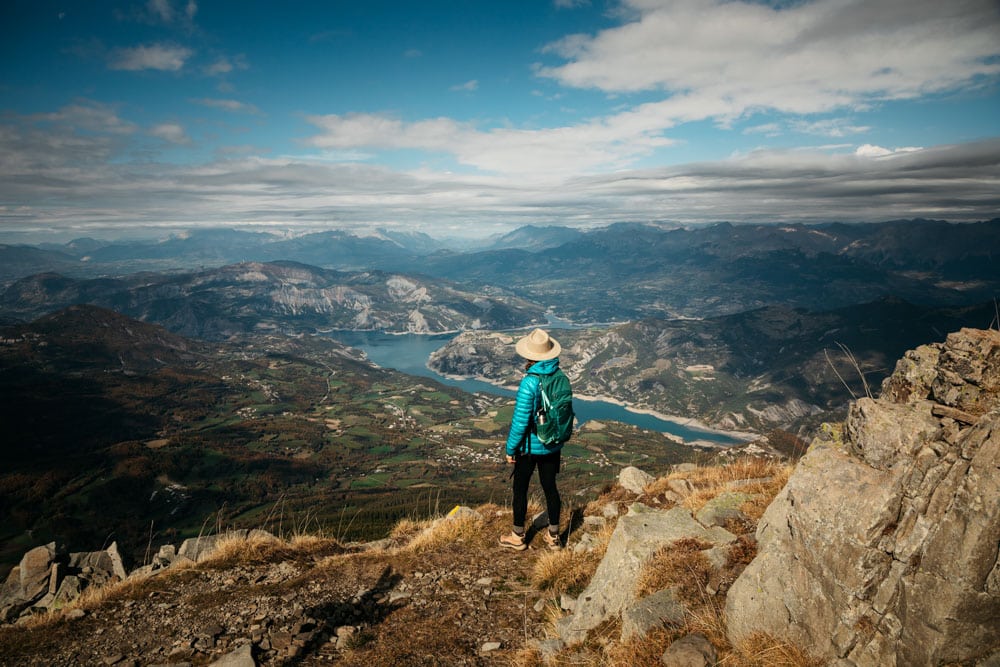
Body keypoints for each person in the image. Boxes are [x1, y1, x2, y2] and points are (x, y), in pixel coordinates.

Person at [499, 328, 566, 551]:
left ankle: (518, 537)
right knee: (550, 488)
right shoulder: (560, 377)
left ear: (530, 355)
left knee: (520, 489)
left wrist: (510, 449)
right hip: (553, 444)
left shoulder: (530, 382)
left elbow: (520, 422)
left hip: (529, 447)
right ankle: (554, 537)